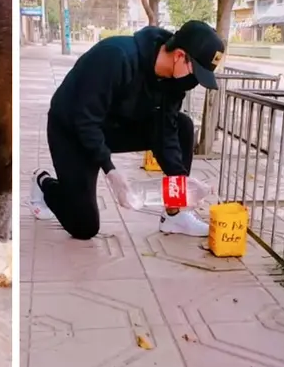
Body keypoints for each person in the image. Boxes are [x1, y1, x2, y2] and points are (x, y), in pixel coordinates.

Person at [28, 20, 226, 239]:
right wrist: (110, 169)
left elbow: (166, 132)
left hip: (114, 128)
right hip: (72, 129)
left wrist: (182, 184)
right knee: (84, 226)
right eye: (195, 74)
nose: (194, 82)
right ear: (179, 55)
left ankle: (175, 214)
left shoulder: (175, 82)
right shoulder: (115, 56)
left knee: (182, 127)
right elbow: (84, 119)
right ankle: (44, 182)